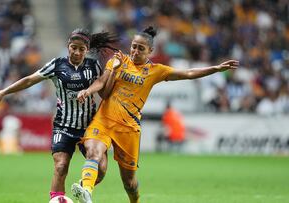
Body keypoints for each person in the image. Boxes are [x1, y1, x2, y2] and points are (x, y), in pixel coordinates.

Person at [71, 26, 239, 203]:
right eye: (134, 46)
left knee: (129, 182)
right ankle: (87, 192)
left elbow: (188, 73)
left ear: (150, 51)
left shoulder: (156, 71)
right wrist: (88, 91)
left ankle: (133, 200)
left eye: (141, 48)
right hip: (103, 121)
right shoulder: (118, 61)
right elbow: (101, 83)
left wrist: (215, 68)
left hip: (128, 129)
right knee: (93, 153)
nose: (135, 51)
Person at [0, 28, 120, 201]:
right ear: (68, 46)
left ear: (87, 49)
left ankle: (83, 189)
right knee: (61, 166)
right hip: (64, 125)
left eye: (81, 49)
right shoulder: (57, 65)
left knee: (101, 169)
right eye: (73, 47)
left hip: (90, 126)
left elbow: (104, 91)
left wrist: (109, 75)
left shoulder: (94, 66)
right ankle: (56, 199)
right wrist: (2, 92)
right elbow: (30, 79)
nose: (76, 52)